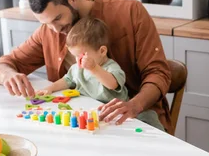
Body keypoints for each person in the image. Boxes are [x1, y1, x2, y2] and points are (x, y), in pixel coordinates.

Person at [0, 0, 172, 131]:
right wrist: (8, 75)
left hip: (135, 120)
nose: (55, 30)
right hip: (85, 124)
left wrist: (134, 105)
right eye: (47, 24)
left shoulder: (129, 11)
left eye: (58, 18)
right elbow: (5, 63)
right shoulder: (50, 31)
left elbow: (158, 73)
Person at [34, 17, 164, 130]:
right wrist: (49, 88)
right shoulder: (77, 68)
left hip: (117, 112)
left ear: (102, 51)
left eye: (83, 56)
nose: (79, 61)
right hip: (94, 112)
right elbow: (67, 80)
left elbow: (112, 84)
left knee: (148, 117)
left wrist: (94, 68)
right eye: (75, 56)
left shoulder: (110, 67)